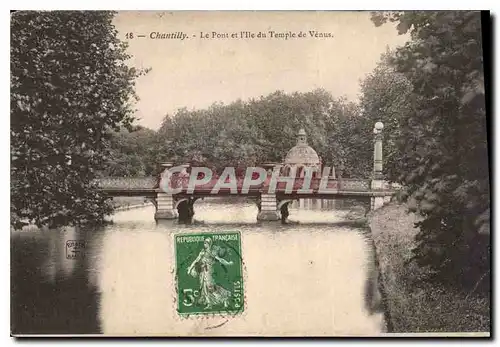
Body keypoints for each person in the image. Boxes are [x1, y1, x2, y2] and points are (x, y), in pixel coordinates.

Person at [187, 238, 233, 309]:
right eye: (204, 243)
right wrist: (190, 268)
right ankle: (209, 304)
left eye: (206, 243)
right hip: (202, 272)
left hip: (209, 271)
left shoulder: (212, 252)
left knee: (210, 287)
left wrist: (228, 263)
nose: (204, 244)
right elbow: (196, 260)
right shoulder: (202, 252)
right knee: (204, 288)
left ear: (209, 244)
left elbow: (220, 259)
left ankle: (225, 299)